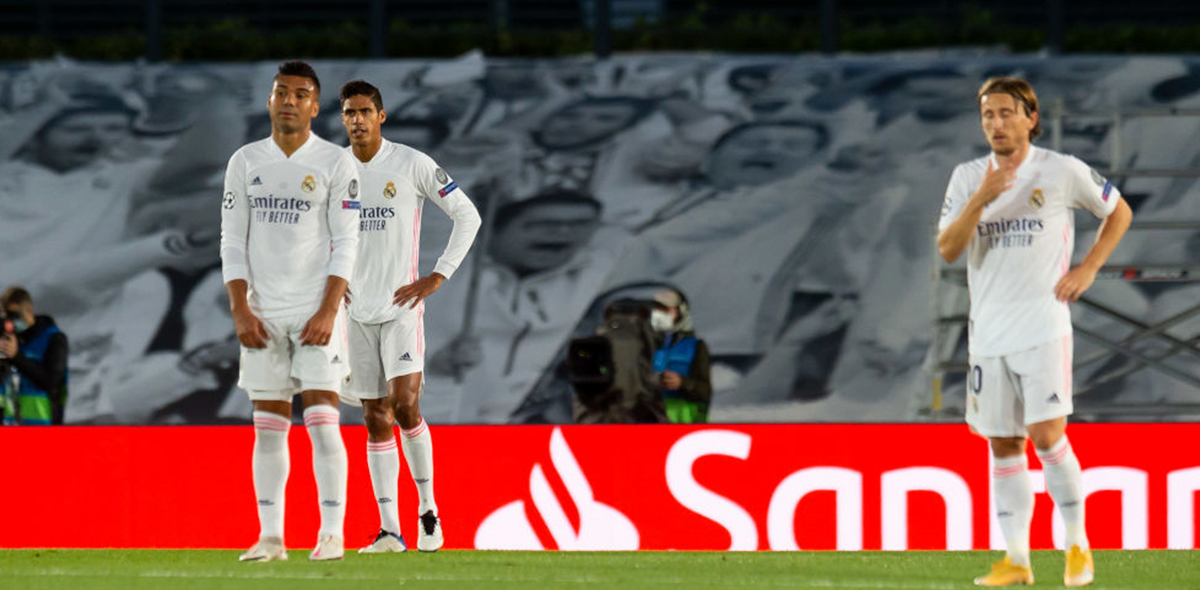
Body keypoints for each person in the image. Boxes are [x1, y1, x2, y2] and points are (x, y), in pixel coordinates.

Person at [937, 77, 1132, 587]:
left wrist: (1089, 268)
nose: (996, 124)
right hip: (988, 334)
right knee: (1002, 446)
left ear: (1030, 117)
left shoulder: (1061, 170)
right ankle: (1018, 562)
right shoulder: (966, 177)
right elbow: (948, 248)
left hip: (1042, 325)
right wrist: (981, 197)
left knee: (1047, 436)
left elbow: (1119, 211)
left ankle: (1077, 546)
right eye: (987, 116)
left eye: (1006, 113)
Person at [220, 61, 361, 562]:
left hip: (313, 310)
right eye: (281, 92)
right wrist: (240, 308)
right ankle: (272, 537)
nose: (289, 100)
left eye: (300, 94)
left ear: (315, 107)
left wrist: (328, 309)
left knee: (323, 421)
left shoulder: (334, 162)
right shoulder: (245, 161)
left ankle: (332, 533)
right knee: (268, 424)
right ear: (269, 100)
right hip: (261, 312)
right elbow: (232, 242)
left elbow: (347, 242)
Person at [337, 80, 481, 553]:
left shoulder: (412, 163)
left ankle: (428, 510)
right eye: (348, 113)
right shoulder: (332, 170)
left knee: (405, 407)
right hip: (355, 312)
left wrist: (436, 277)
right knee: (373, 417)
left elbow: (468, 216)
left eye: (364, 111)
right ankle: (389, 531)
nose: (356, 120)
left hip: (401, 309)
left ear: (382, 116)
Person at [0, 287, 68, 425]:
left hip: (43, 429)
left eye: (15, 314)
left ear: (28, 309)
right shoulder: (11, 340)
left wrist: (16, 356)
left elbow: (52, 383)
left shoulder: (53, 339)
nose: (11, 321)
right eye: (7, 315)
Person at [649, 289, 712, 423]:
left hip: (684, 428)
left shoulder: (696, 347)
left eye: (666, 310)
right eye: (657, 310)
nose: (660, 315)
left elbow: (705, 391)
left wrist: (683, 383)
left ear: (681, 312)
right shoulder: (648, 345)